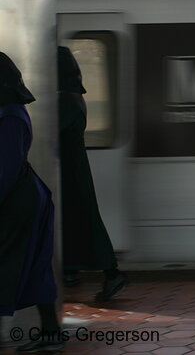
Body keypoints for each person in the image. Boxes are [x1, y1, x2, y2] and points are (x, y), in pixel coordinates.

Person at [0, 52, 64, 352]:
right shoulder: (10, 111)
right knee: (37, 265)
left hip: (18, 200)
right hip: (26, 196)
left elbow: (5, 170)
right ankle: (51, 334)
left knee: (14, 264)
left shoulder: (10, 115)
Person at [57, 46, 129, 301]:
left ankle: (112, 273)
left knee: (85, 223)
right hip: (73, 170)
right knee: (79, 222)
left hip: (70, 174)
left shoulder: (64, 100)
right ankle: (70, 270)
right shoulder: (74, 96)